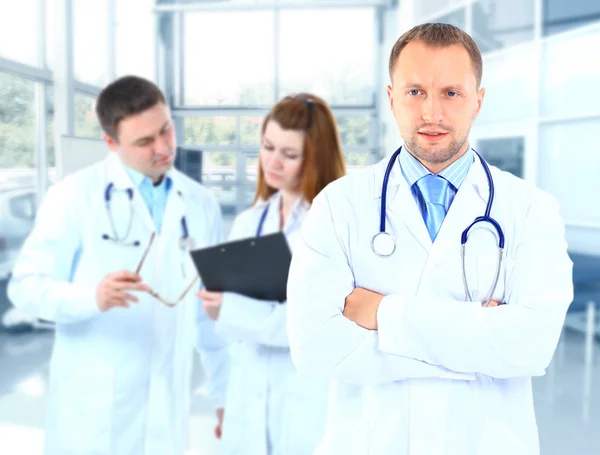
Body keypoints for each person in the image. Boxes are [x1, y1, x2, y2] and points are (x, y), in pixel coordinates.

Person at [286, 23, 573, 455]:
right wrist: (475, 342)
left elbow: (531, 346)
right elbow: (314, 348)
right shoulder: (338, 205)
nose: (432, 113)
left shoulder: (531, 209)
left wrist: (384, 314)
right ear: (390, 99)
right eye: (415, 92)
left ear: (478, 101)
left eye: (451, 93)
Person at [8, 75, 228, 455]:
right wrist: (90, 297)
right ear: (111, 143)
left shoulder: (200, 203)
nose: (163, 149)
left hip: (167, 404)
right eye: (144, 142)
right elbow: (25, 286)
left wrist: (224, 393)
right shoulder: (74, 196)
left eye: (166, 131)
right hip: (94, 412)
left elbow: (207, 313)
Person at [197, 93, 346, 455]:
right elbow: (227, 328)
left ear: (315, 157)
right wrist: (217, 305)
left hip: (306, 402)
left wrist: (230, 311)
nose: (272, 162)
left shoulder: (335, 227)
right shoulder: (249, 222)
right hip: (247, 395)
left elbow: (315, 326)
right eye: (267, 147)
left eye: (289, 154)